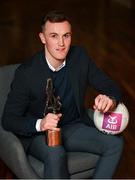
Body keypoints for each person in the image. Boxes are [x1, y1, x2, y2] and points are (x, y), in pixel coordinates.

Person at [2, 10, 124, 179]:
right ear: (43, 38)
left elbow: (110, 86)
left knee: (115, 144)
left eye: (66, 36)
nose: (61, 43)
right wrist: (40, 124)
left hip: (73, 126)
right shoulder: (26, 73)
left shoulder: (79, 57)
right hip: (41, 134)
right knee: (55, 154)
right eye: (54, 36)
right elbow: (9, 119)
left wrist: (109, 99)